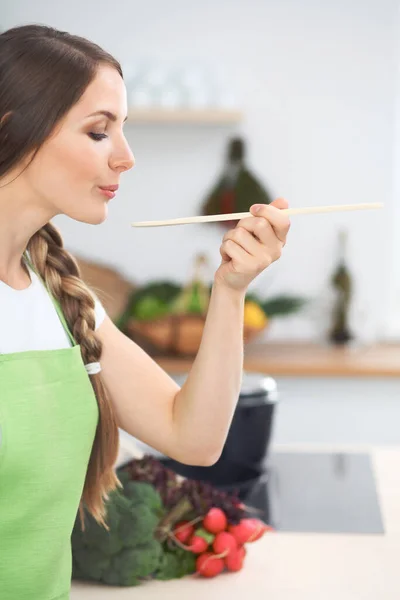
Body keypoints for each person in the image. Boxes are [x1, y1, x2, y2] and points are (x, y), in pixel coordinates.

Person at [0, 24, 290, 600]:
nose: (127, 158)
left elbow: (194, 437)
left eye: (123, 131)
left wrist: (230, 291)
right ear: (13, 129)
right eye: (99, 131)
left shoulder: (56, 295)